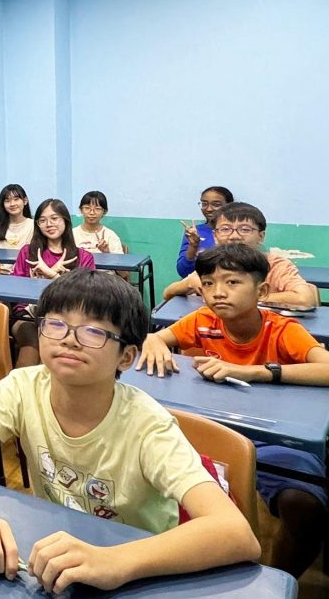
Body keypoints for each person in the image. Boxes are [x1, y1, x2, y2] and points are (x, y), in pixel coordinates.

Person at [0, 270, 260, 593]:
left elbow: (236, 533)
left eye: (92, 331)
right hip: (56, 551)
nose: (69, 339)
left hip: (144, 569)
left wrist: (114, 561)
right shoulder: (22, 387)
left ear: (126, 357)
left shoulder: (148, 426)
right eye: (56, 324)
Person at [137, 243, 329, 577]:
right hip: (209, 431)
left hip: (270, 438)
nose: (217, 292)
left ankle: (278, 582)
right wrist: (153, 340)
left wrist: (256, 372)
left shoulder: (282, 330)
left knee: (304, 504)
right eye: (208, 283)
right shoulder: (203, 320)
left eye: (232, 282)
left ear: (262, 290)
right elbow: (159, 337)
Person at [162, 202, 318, 309]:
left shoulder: (276, 265)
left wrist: (244, 299)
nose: (234, 236)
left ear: (261, 236)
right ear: (215, 236)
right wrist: (190, 283)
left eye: (244, 229)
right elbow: (168, 293)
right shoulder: (212, 263)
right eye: (225, 229)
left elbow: (305, 299)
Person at [10, 199, 97, 368]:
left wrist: (52, 275)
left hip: (70, 319)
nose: (49, 224)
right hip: (27, 315)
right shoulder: (28, 252)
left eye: (54, 218)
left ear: (65, 220)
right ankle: (20, 384)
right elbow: (15, 289)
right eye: (42, 220)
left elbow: (87, 297)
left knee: (55, 341)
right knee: (32, 342)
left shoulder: (84, 257)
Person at [177, 186, 233, 277]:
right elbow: (183, 272)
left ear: (229, 206)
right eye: (204, 204)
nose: (209, 209)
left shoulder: (237, 232)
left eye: (216, 205)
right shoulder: (195, 232)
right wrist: (193, 246)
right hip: (199, 282)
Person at [0, 184, 33, 273]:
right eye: (7, 201)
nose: (12, 204)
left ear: (25, 201)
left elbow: (32, 255)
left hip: (21, 274)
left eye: (16, 199)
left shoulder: (33, 225)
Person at [71, 190, 124, 255]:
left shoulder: (110, 236)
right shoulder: (72, 234)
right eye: (87, 208)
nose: (92, 212)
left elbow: (119, 260)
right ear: (81, 210)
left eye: (97, 209)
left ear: (104, 212)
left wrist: (107, 252)